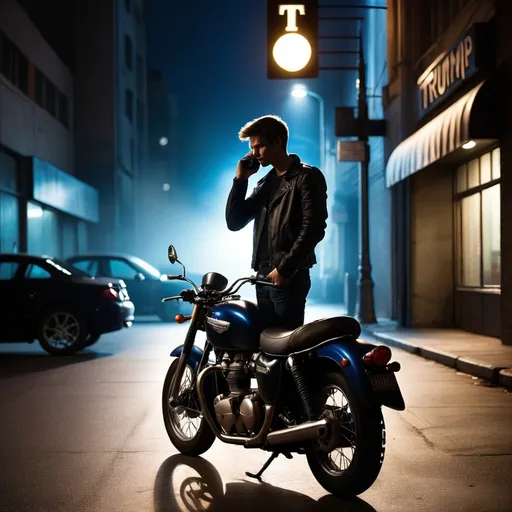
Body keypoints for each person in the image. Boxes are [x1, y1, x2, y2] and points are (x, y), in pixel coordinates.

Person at [225, 114, 328, 330]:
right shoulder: (265, 183)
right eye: (252, 148)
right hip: (263, 275)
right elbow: (235, 221)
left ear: (279, 141)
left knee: (285, 346)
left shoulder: (306, 177)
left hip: (288, 275)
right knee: (264, 347)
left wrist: (284, 269)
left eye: (260, 146)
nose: (254, 153)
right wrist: (241, 180)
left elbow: (314, 228)